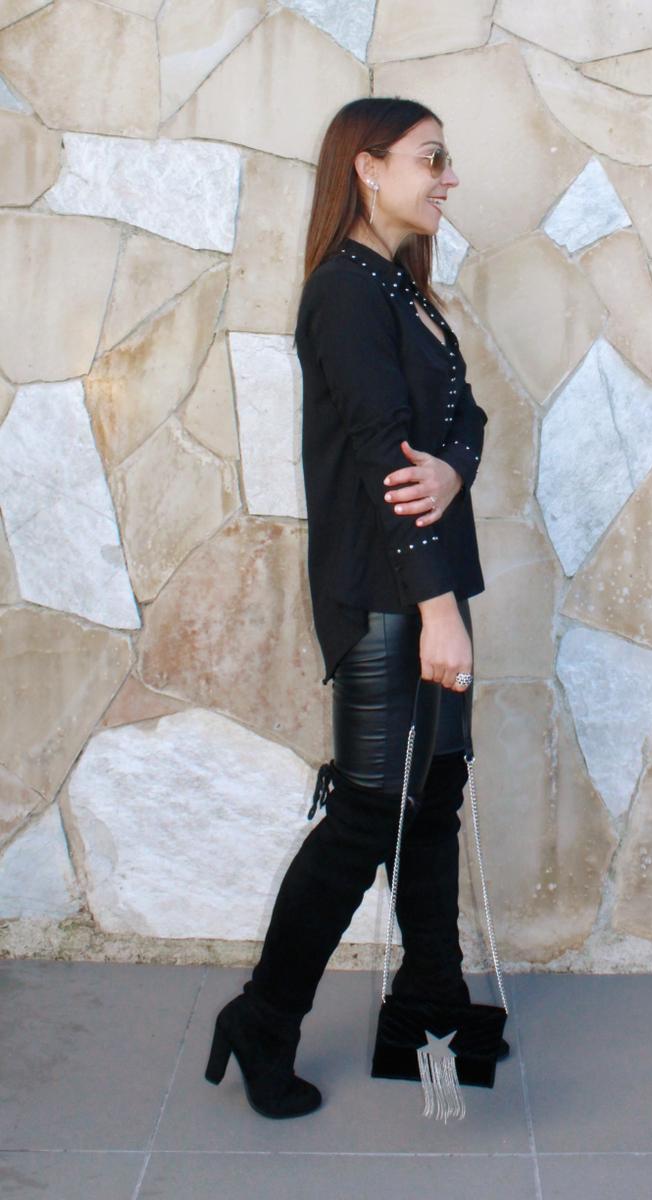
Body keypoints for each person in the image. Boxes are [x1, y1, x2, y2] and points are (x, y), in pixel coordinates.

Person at [204, 97, 492, 1119]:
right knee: (369, 815)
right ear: (366, 168)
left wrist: (454, 471)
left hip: (428, 587)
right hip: (385, 599)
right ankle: (263, 1018)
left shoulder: (402, 289)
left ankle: (430, 1001)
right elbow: (379, 457)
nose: (447, 177)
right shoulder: (342, 291)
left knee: (433, 797)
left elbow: (464, 420)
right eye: (430, 158)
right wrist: (436, 613)